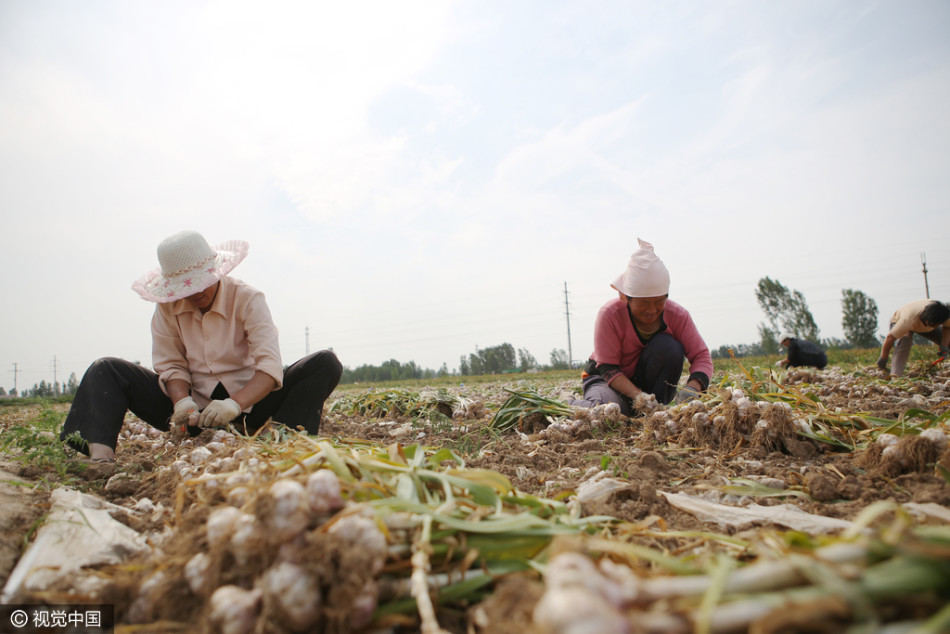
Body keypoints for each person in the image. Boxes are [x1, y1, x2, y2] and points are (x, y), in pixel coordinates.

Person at [59, 230, 343, 464]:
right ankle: (98, 457)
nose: (195, 293)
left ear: (216, 272)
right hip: (195, 415)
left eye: (201, 283)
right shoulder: (168, 308)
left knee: (325, 363)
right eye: (186, 288)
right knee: (106, 369)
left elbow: (269, 367)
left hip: (250, 406)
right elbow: (171, 365)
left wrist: (235, 403)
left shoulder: (248, 299)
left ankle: (279, 440)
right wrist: (181, 401)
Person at [569, 239, 713, 416]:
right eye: (644, 303)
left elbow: (702, 356)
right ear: (625, 297)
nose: (652, 310)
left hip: (648, 386)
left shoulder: (678, 316)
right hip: (606, 380)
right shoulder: (610, 314)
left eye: (659, 302)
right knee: (611, 412)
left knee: (669, 347)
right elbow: (608, 368)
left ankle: (652, 411)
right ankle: (570, 404)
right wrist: (638, 397)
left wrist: (693, 387)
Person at [876, 299, 950, 376]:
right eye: (930, 324)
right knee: (905, 342)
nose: (932, 326)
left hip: (924, 321)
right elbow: (890, 338)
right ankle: (896, 375)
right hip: (899, 320)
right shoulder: (908, 320)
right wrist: (883, 358)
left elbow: (947, 327)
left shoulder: (943, 315)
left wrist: (944, 346)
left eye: (935, 325)